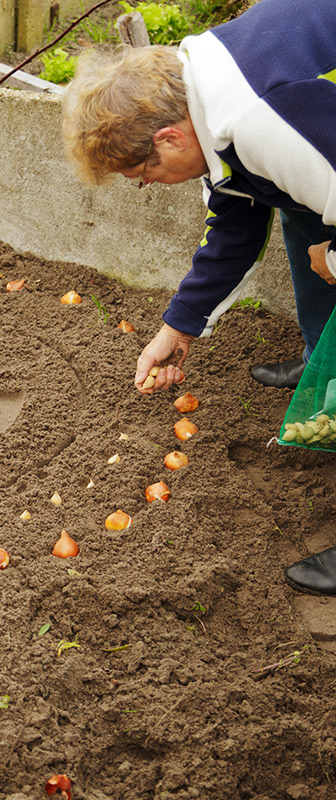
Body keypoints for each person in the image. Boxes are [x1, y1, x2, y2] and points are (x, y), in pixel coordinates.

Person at [61, 0, 336, 596]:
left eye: (142, 174)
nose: (144, 187)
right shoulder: (202, 95)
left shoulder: (258, 117)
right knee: (301, 212)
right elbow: (235, 221)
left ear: (170, 137)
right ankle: (326, 370)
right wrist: (178, 328)